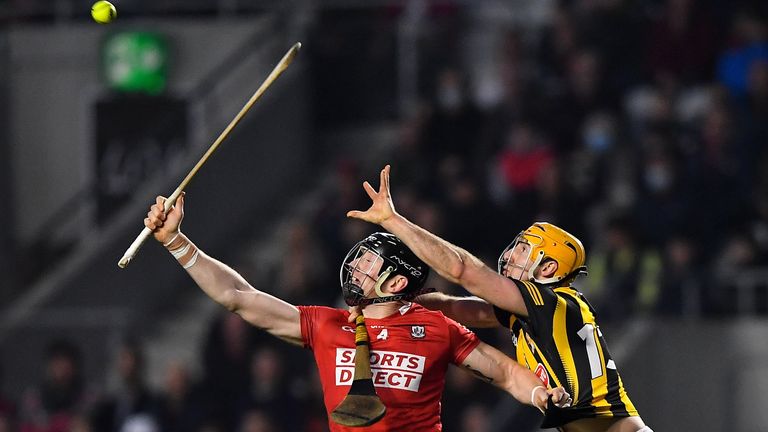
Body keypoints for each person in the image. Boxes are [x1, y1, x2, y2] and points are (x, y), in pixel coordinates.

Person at [143, 193, 571, 431]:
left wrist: (540, 394)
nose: (357, 265)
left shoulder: (435, 328)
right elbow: (238, 295)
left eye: (371, 263)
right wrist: (178, 243)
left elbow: (504, 372)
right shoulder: (328, 325)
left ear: (397, 283)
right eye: (361, 256)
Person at [347, 165, 651, 432]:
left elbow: (462, 270)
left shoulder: (550, 300)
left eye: (524, 249)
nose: (512, 254)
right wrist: (390, 302)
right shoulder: (541, 309)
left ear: (548, 268)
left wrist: (393, 220)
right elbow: (461, 309)